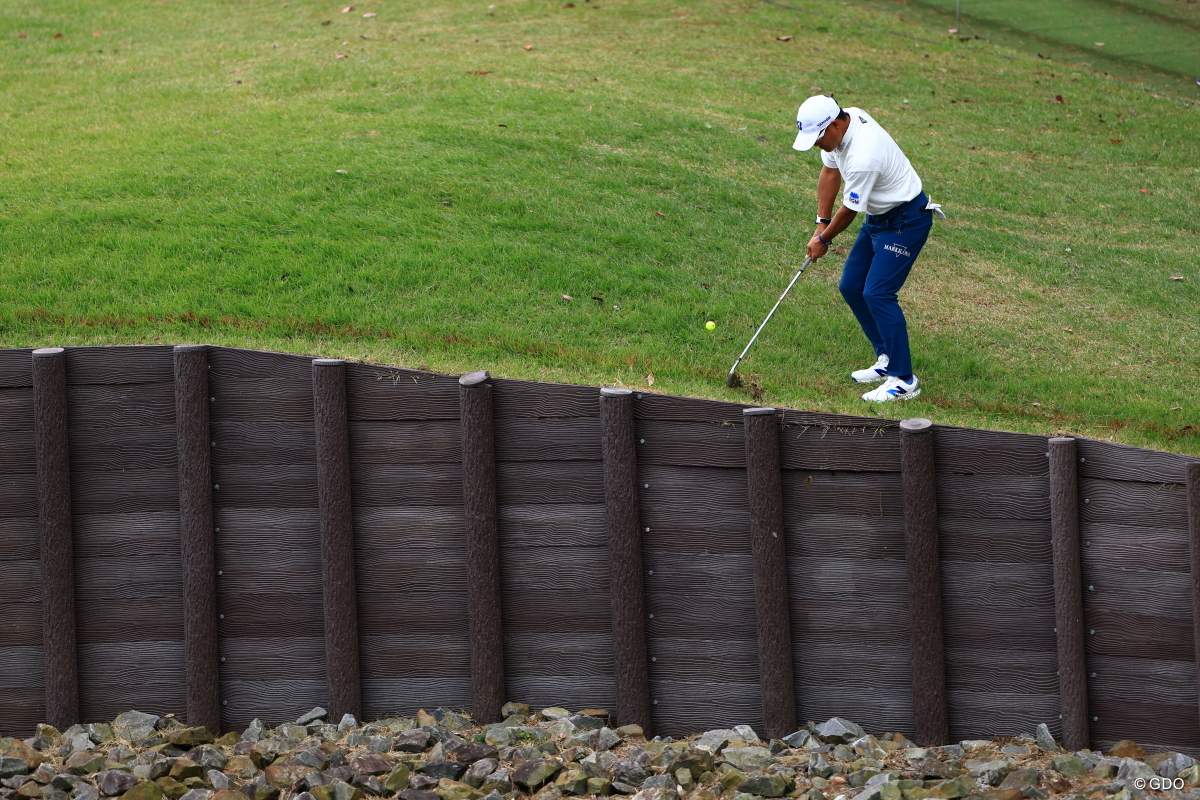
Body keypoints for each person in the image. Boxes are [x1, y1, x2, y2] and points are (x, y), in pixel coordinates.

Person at [792, 95, 944, 402]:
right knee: (851, 286)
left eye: (818, 138)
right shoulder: (843, 123)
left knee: (878, 293)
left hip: (906, 221)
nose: (817, 144)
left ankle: (904, 380)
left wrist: (824, 240)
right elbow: (830, 172)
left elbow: (849, 210)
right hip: (879, 217)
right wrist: (821, 224)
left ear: (835, 126)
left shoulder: (864, 155)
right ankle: (887, 357)